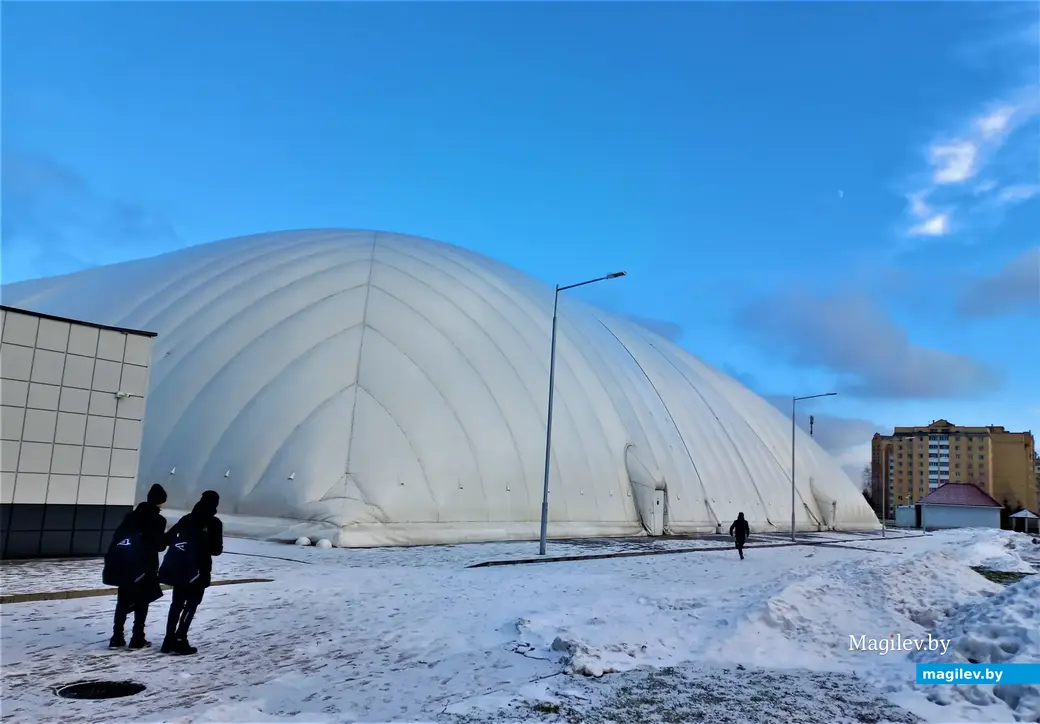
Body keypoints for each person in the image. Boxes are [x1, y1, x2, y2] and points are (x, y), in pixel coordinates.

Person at [105, 483, 168, 649]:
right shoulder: (158, 520)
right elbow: (158, 545)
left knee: (123, 600)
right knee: (142, 601)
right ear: (160, 502)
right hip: (144, 567)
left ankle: (116, 637)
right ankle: (137, 637)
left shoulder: (130, 516)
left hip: (125, 564)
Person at [160, 490, 223, 655]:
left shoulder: (187, 519)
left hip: (180, 568)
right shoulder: (214, 523)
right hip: (198, 571)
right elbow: (216, 550)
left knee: (176, 604)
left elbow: (168, 539)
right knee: (191, 604)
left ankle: (168, 640)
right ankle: (181, 638)